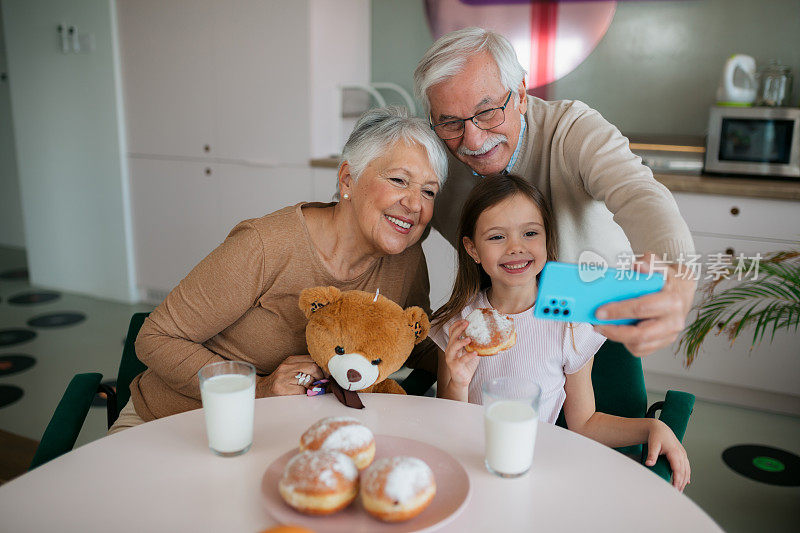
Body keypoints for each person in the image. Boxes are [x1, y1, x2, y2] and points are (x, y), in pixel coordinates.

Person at [110, 107, 447, 432]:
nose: (415, 204)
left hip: (288, 432)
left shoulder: (406, 258)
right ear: (348, 179)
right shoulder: (267, 245)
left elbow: (411, 341)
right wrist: (258, 388)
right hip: (178, 423)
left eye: (428, 191)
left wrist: (471, 350)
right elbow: (155, 339)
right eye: (400, 180)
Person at [414, 27, 697, 357]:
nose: (473, 141)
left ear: (520, 94)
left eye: (488, 112)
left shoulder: (573, 129)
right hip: (494, 329)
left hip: (592, 322)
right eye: (450, 123)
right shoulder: (431, 157)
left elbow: (639, 193)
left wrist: (677, 275)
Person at [430, 174, 690, 491]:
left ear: (546, 238)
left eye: (530, 233)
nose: (516, 248)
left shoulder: (570, 325)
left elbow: (584, 423)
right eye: (497, 237)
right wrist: (458, 381)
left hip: (534, 472)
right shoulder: (457, 322)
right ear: (472, 248)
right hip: (468, 467)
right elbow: (445, 423)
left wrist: (651, 427)